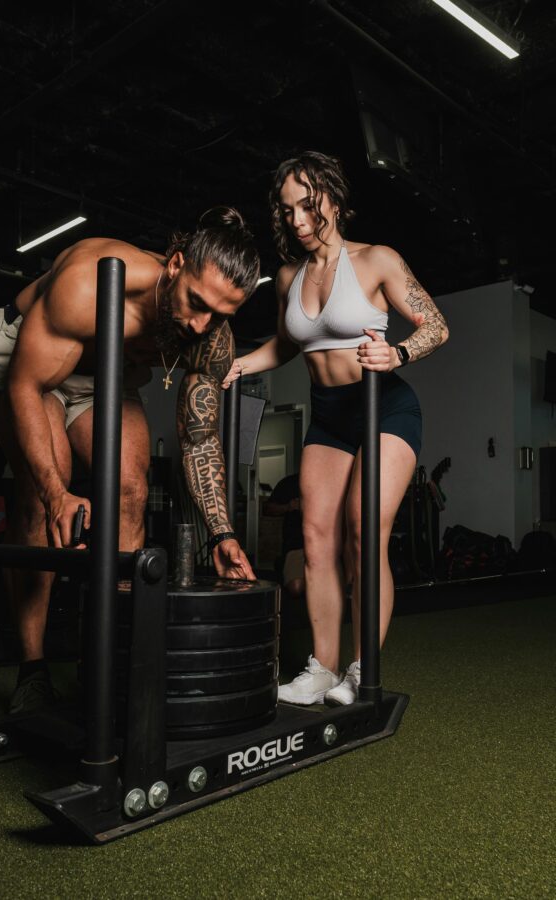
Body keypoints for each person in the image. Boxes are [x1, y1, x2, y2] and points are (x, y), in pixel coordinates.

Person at [0, 206, 260, 712]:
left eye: (219, 314)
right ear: (175, 264)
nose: (201, 324)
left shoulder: (210, 335)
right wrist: (55, 492)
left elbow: (198, 438)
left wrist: (221, 532)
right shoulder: (89, 281)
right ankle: (32, 668)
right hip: (28, 355)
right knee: (48, 485)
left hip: (102, 373)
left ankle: (105, 663)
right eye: (196, 302)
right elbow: (27, 383)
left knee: (131, 486)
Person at [223, 151, 448, 706]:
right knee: (316, 541)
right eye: (287, 210)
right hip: (328, 413)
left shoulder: (376, 261)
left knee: (361, 531)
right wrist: (242, 364)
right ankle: (321, 669)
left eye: (307, 205)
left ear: (334, 199)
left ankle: (359, 668)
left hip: (384, 407)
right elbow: (287, 343)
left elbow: (436, 326)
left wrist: (396, 352)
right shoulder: (286, 277)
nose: (297, 220)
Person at [262, 472, 304, 597]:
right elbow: (268, 509)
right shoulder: (291, 482)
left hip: (328, 548)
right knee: (296, 587)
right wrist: (289, 506)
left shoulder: (331, 480)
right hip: (297, 545)